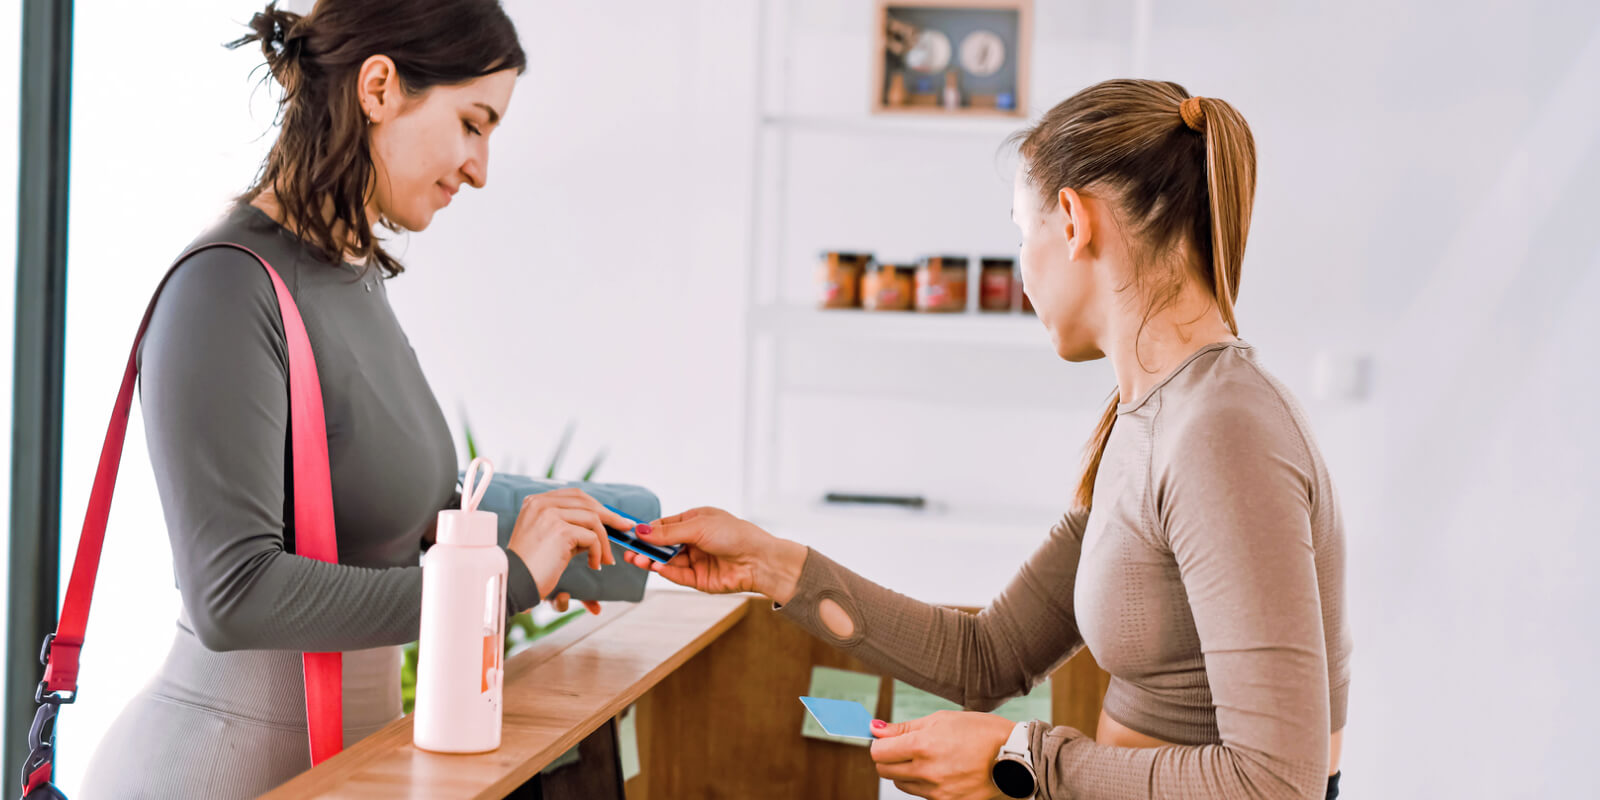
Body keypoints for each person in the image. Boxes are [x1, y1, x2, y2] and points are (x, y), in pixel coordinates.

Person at [626, 79, 1351, 800]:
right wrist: (774, 565)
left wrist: (1024, 761)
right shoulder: (1150, 420)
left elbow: (1274, 786)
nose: (1023, 274)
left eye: (1019, 235)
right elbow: (988, 656)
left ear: (1072, 221)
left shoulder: (1222, 432)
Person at [79, 2, 628, 796]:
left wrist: (626, 544)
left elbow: (396, 512)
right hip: (216, 774)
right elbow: (233, 596)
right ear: (379, 87)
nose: (481, 168)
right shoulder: (225, 286)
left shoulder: (350, 275)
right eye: (473, 123)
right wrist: (506, 584)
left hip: (346, 768)